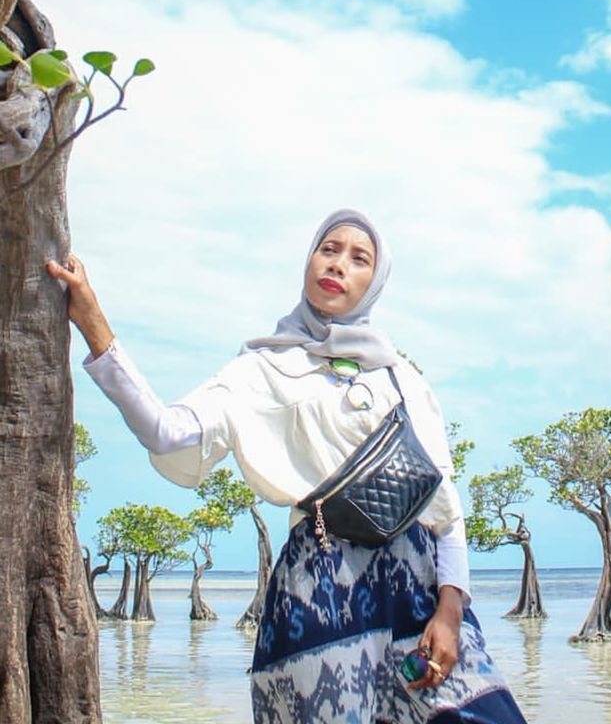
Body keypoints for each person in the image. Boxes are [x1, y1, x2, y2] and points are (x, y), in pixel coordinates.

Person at [49, 209, 528, 724]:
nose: (339, 264)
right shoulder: (263, 368)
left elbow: (444, 508)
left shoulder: (401, 378)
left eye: (358, 258)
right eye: (329, 249)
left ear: (375, 281)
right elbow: (166, 432)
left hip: (417, 590)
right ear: (308, 261)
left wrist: (451, 611)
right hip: (323, 589)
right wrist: (95, 326)